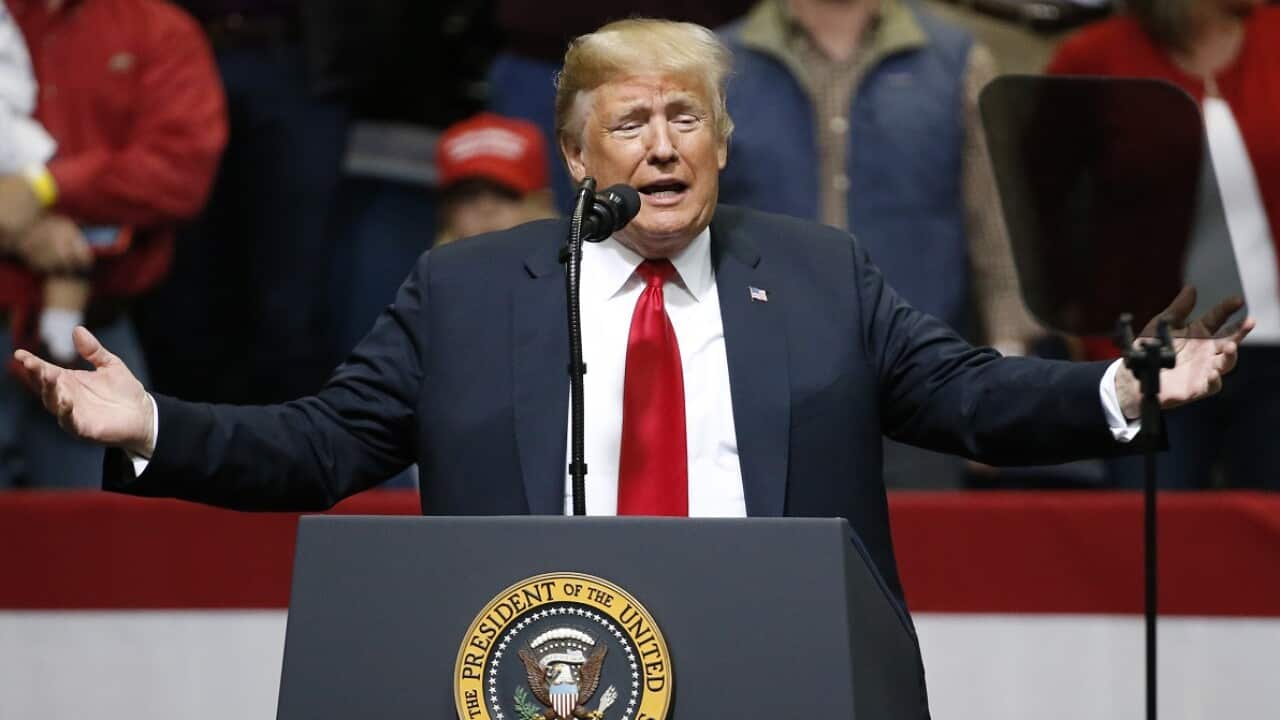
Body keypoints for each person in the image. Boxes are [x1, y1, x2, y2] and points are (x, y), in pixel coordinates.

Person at [13, 18, 1246, 621]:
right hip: (545, 664)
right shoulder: (466, 290)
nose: (663, 147)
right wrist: (152, 426)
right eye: (630, 123)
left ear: (721, 140)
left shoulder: (819, 273)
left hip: (785, 662)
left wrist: (1123, 389)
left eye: (687, 120)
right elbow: (323, 446)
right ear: (572, 153)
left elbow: (968, 392)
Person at [718, 0, 1045, 489]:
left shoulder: (955, 58)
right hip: (751, 376)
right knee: (766, 557)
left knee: (926, 556)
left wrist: (1003, 374)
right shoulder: (717, 62)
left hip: (916, 377)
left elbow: (995, 222)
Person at [1048, 0, 1280, 489]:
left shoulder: (1273, 38)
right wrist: (1092, 342)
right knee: (1152, 536)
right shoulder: (1092, 59)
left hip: (1274, 352)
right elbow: (1048, 213)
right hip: (1153, 353)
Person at [0, 0, 226, 489]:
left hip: (90, 335)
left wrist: (48, 188)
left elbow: (179, 172)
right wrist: (18, 226)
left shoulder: (157, 28)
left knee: (97, 547)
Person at [435, 112, 557, 247]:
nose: (485, 208)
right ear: (447, 214)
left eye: (506, 193)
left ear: (542, 205)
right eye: (468, 196)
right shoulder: (431, 267)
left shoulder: (574, 266)